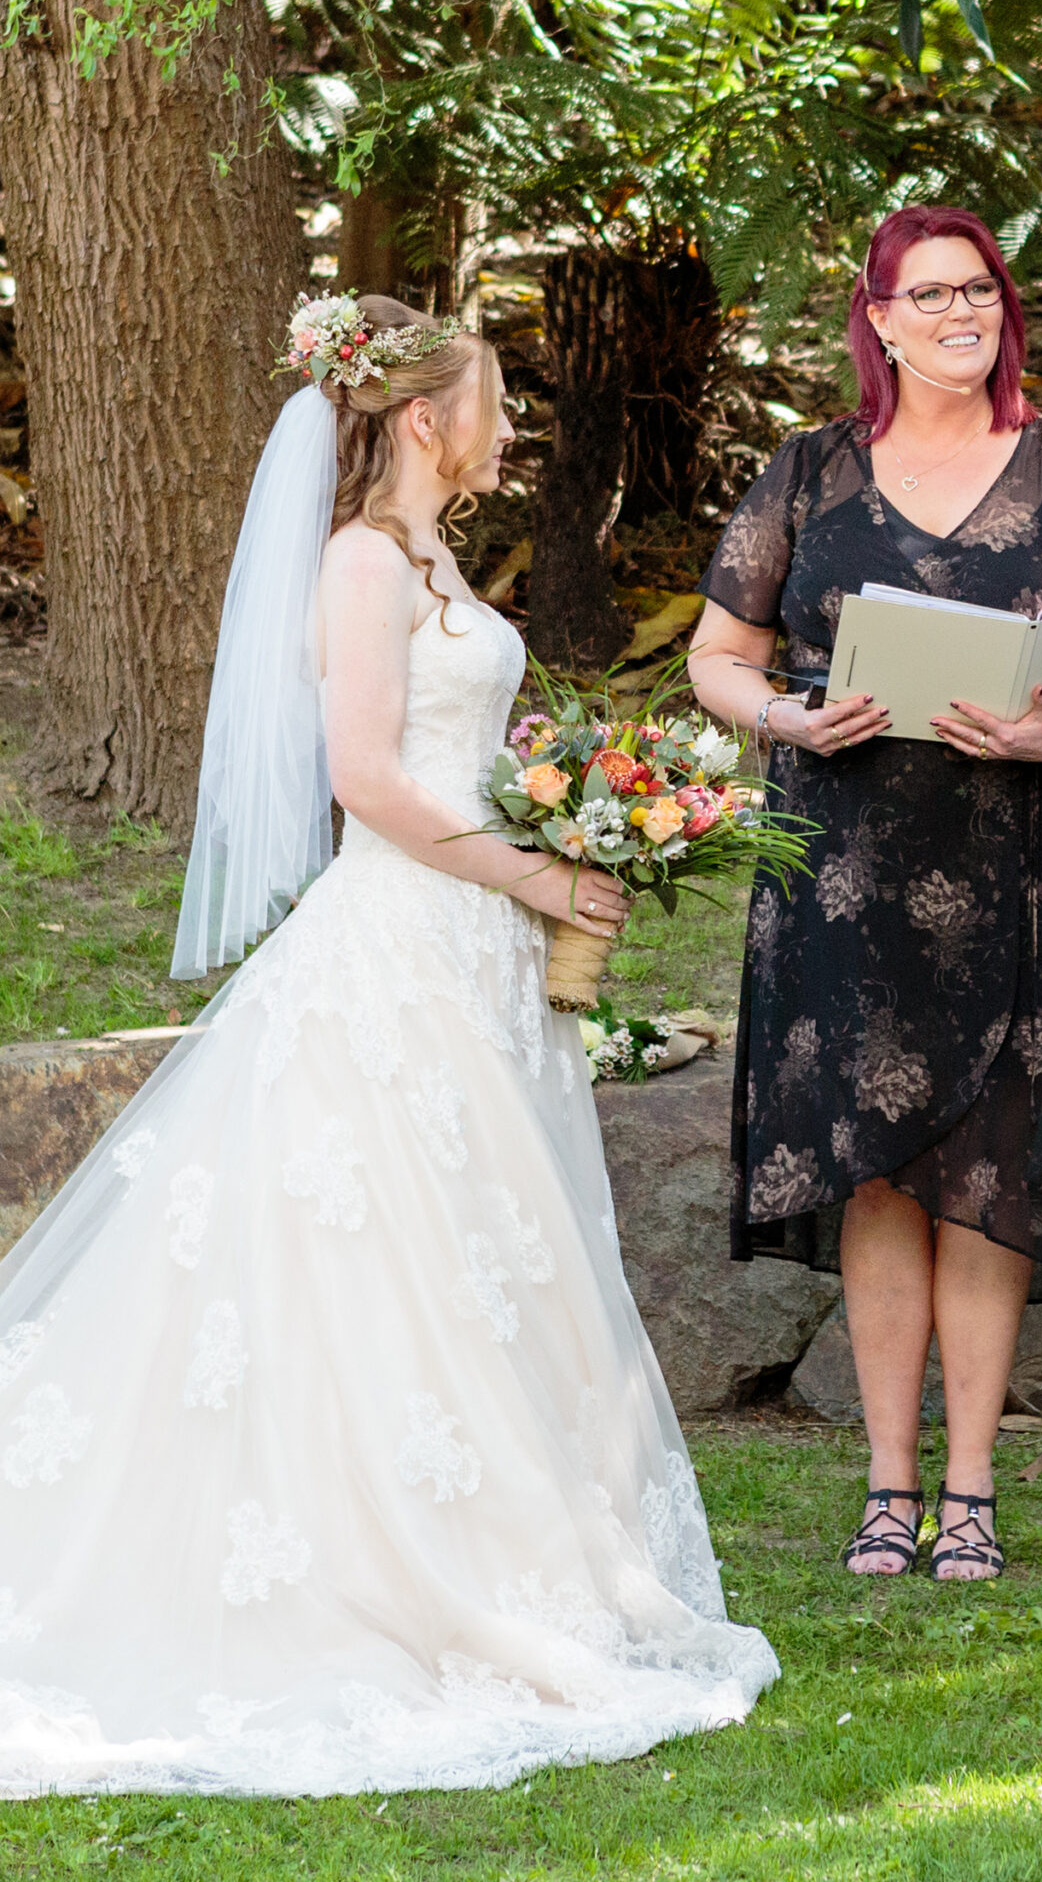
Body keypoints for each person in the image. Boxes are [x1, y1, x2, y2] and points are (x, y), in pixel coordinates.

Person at [0, 296, 776, 1795]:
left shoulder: (432, 558)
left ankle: (511, 1542)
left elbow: (458, 751)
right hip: (401, 949)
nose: (505, 425)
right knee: (391, 1256)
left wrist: (576, 813)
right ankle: (381, 1562)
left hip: (474, 954)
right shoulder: (362, 560)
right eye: (489, 399)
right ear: (425, 417)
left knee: (483, 1252)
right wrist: (540, 872)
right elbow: (366, 778)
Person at [688, 208, 1042, 1583]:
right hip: (847, 870)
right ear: (883, 320)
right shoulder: (807, 474)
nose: (964, 311)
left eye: (983, 289)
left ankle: (969, 1486)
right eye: (934, 293)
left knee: (989, 1175)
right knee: (876, 1172)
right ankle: (886, 1484)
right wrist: (785, 723)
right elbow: (717, 656)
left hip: (1026, 865)